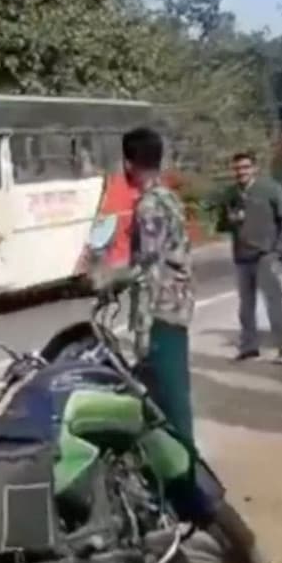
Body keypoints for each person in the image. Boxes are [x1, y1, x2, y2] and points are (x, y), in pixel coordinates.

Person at [104, 127, 198, 448]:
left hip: (162, 313)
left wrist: (141, 330)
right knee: (160, 394)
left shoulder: (149, 207)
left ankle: (188, 477)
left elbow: (150, 270)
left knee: (170, 401)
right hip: (177, 306)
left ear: (129, 164)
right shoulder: (168, 198)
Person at [215, 151, 282, 364]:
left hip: (266, 254)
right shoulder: (231, 194)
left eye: (245, 167)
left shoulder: (269, 189)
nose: (241, 172)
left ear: (254, 169)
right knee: (246, 305)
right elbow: (221, 224)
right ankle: (249, 346)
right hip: (242, 256)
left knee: (273, 303)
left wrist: (281, 247)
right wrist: (231, 220)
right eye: (237, 168)